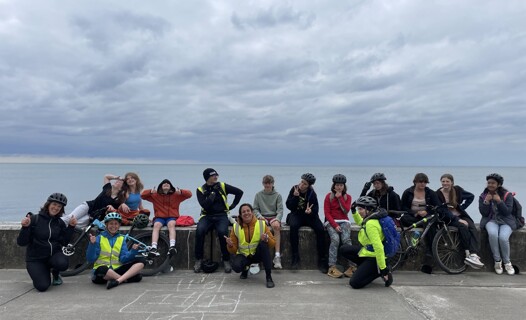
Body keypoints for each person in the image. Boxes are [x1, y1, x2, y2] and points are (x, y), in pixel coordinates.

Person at [17, 193, 77, 292]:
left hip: (53, 256)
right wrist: (25, 228)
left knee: (62, 264)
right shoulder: (34, 219)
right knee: (42, 286)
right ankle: (42, 272)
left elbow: (64, 242)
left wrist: (71, 227)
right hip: (35, 259)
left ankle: (55, 272)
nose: (56, 208)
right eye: (54, 204)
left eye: (59, 206)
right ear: (48, 204)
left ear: (61, 209)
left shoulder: (59, 223)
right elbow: (21, 242)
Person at [194, 168, 243, 273]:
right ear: (207, 177)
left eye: (216, 175)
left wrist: (233, 206)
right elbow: (205, 206)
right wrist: (213, 193)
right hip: (206, 216)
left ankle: (226, 260)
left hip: (221, 215)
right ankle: (198, 259)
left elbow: (239, 192)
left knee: (222, 233)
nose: (216, 177)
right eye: (213, 175)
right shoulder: (200, 190)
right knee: (199, 231)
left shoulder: (222, 186)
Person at [339, 196, 393, 289]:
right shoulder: (371, 218)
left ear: (368, 209)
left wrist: (383, 268)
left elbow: (378, 247)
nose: (359, 211)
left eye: (361, 209)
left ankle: (379, 271)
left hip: (374, 258)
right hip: (367, 252)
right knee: (344, 249)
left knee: (354, 283)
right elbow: (361, 223)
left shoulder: (371, 224)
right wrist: (353, 211)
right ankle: (364, 267)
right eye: (358, 209)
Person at [86, 212, 145, 289]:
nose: (113, 226)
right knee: (102, 269)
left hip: (116, 269)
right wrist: (92, 244)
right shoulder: (99, 238)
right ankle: (124, 279)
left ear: (119, 225)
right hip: (102, 273)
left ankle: (117, 281)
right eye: (111, 224)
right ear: (106, 225)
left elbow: (123, 259)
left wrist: (133, 251)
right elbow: (90, 259)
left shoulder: (121, 239)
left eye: (116, 224)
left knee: (141, 261)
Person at [437, 173, 483, 269]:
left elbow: (471, 196)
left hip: (460, 214)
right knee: (462, 226)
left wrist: (461, 207)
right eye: (443, 181)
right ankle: (467, 252)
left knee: (472, 227)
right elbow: (442, 210)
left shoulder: (457, 190)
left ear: (452, 182)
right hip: (449, 218)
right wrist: (458, 219)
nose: (445, 183)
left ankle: (473, 254)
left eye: (447, 181)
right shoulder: (437, 193)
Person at [400, 173, 443, 274]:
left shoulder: (431, 193)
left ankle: (429, 258)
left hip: (426, 218)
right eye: (420, 182)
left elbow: (437, 207)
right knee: (404, 220)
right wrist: (415, 213)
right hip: (412, 217)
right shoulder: (408, 192)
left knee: (429, 225)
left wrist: (427, 211)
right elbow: (403, 207)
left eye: (424, 182)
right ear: (415, 182)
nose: (422, 184)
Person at [226, 203, 276, 288]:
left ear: (252, 212)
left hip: (257, 255)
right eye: (243, 212)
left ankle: (269, 277)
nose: (246, 213)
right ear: (240, 215)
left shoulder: (261, 224)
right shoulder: (236, 227)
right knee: (236, 267)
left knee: (264, 245)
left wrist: (267, 239)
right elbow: (233, 251)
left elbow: (273, 243)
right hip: (244, 256)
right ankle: (245, 269)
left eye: (248, 211)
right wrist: (230, 245)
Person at [286, 173, 327, 272]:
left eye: (304, 183)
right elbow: (289, 206)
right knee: (294, 227)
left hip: (309, 216)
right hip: (297, 214)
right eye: (301, 181)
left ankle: (322, 259)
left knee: (321, 230)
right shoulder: (294, 189)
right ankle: (295, 257)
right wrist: (295, 197)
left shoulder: (312, 193)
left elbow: (316, 208)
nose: (301, 184)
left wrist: (310, 211)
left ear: (309, 185)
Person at [479, 173, 517, 275]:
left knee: (503, 238)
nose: (490, 185)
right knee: (493, 234)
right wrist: (486, 202)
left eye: (493, 183)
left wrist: (499, 201)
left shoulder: (507, 195)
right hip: (491, 220)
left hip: (506, 221)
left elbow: (507, 212)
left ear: (499, 184)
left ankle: (507, 262)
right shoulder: (483, 195)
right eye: (489, 183)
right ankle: (497, 261)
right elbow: (484, 213)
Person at [141, 178, 192, 254]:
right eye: (164, 184)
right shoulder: (155, 195)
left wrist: (181, 191)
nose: (166, 184)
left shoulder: (176, 195)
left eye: (168, 184)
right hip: (159, 217)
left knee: (171, 224)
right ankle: (154, 247)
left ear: (171, 187)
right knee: (156, 225)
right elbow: (142, 195)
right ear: (160, 187)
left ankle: (172, 246)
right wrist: (150, 191)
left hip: (172, 217)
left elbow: (189, 194)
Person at [323, 174, 354, 278]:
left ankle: (352, 266)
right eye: (337, 185)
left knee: (346, 240)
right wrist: (335, 225)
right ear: (334, 186)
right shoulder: (328, 196)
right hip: (331, 222)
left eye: (341, 185)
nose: (339, 187)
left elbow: (346, 210)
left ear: (344, 186)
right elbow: (327, 213)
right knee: (335, 240)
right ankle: (332, 267)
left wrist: (340, 198)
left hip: (344, 221)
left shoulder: (347, 197)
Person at [252, 175, 284, 269]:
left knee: (277, 227)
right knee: (259, 228)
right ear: (263, 184)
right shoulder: (258, 195)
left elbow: (280, 210)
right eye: (265, 183)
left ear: (272, 184)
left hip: (273, 217)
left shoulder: (277, 195)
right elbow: (255, 209)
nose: (267, 185)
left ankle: (277, 256)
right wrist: (260, 216)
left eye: (269, 183)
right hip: (262, 216)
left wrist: (277, 219)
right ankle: (256, 257)